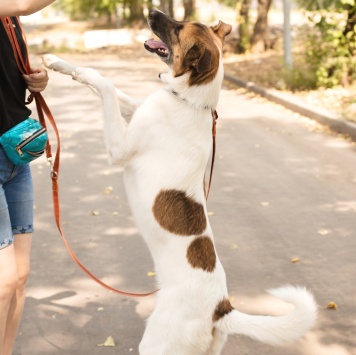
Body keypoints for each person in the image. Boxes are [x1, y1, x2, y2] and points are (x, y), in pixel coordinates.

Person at [0, 2, 56, 354]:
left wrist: (37, 78)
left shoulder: (10, 19)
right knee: (4, 281)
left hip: (13, 154)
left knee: (19, 278)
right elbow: (25, 2)